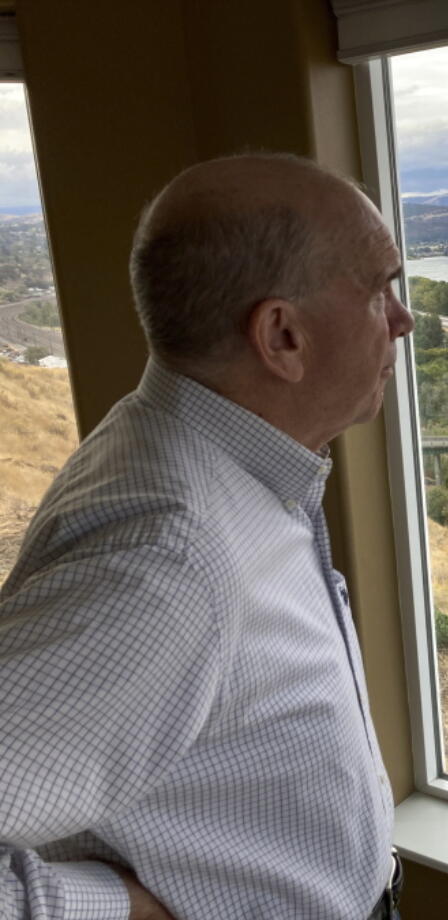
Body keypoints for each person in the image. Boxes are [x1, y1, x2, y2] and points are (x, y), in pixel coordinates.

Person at [0, 154, 414, 919]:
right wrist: (105, 908)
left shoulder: (215, 455)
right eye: (380, 289)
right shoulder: (166, 558)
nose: (403, 320)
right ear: (281, 336)